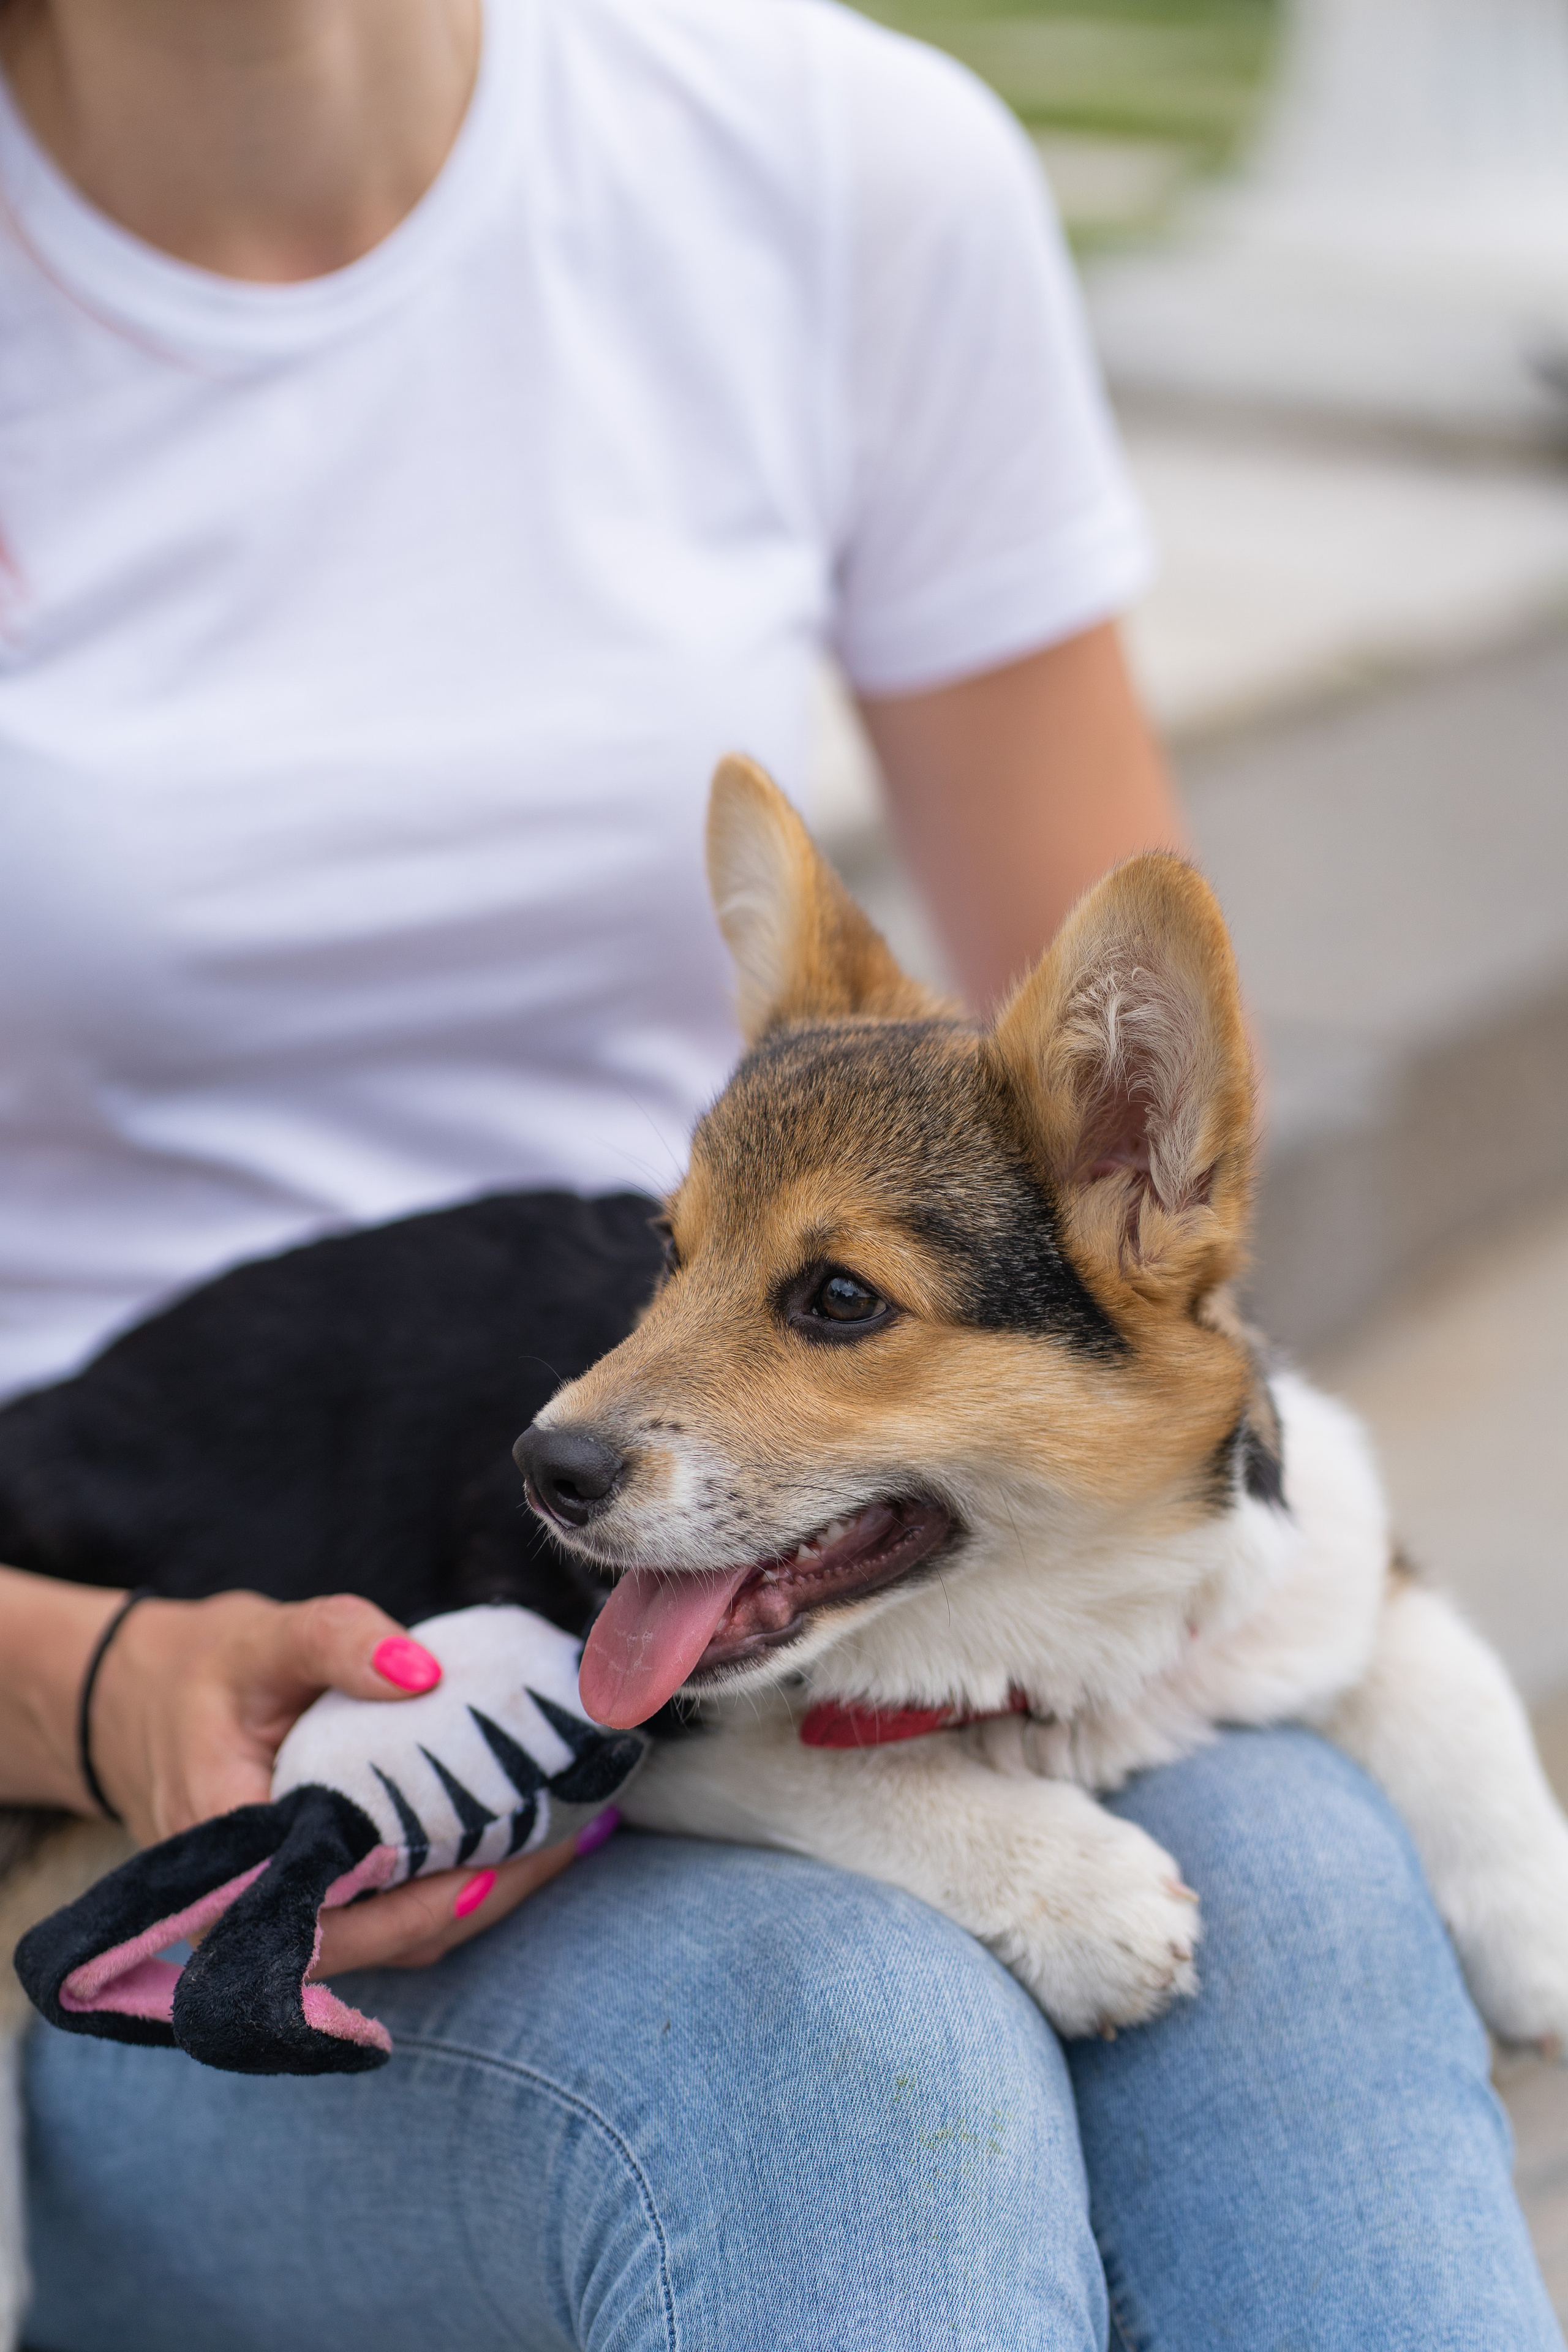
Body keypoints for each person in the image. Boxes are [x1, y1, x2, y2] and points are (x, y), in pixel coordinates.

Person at [0, 0, 1558, 2345]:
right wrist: (89, 1681)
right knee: (847, 2059)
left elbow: (1124, 1172)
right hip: (163, 1770)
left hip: (781, 1482)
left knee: (1314, 1914)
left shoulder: (833, 162)